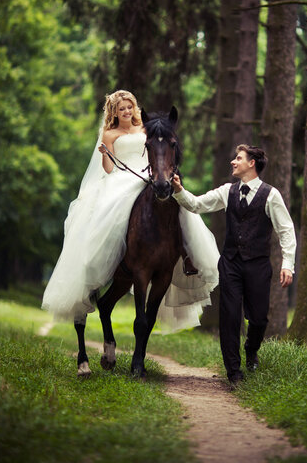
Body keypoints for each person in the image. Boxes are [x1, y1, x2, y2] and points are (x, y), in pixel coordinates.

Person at [42, 90, 219, 332]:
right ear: (114, 112)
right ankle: (106, 254)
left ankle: (187, 254)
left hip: (150, 175)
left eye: (129, 107)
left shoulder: (145, 129)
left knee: (178, 204)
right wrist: (105, 153)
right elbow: (107, 168)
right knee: (113, 210)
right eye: (121, 108)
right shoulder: (109, 133)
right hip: (122, 178)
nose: (126, 111)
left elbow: (159, 150)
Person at [172, 144, 296, 387]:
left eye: (238, 158)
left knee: (259, 319)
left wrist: (287, 264)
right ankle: (233, 371)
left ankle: (251, 350)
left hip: (258, 266)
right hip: (230, 265)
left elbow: (286, 231)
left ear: (252, 163)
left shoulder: (271, 195)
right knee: (229, 317)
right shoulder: (226, 191)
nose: (233, 162)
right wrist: (178, 190)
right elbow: (196, 205)